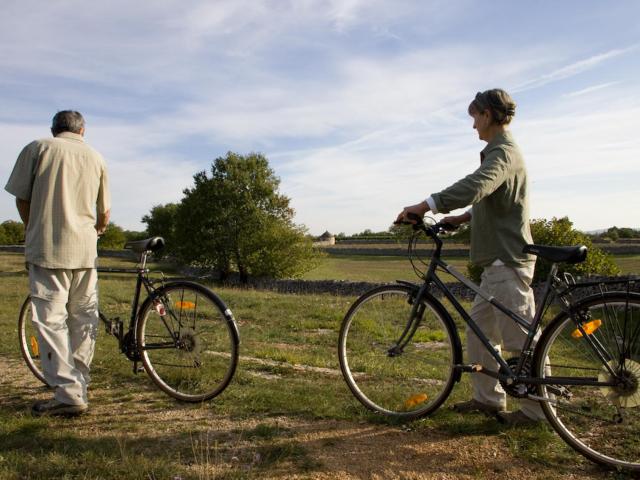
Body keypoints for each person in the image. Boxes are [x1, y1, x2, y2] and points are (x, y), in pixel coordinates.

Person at [396, 89, 544, 425]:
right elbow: (491, 200)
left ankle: (538, 413)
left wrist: (427, 205)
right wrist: (460, 219)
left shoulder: (503, 153)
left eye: (475, 117)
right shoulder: (499, 152)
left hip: (508, 260)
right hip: (495, 264)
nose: (473, 125)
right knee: (479, 333)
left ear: (488, 115)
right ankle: (487, 400)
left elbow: (478, 185)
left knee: (521, 340)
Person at [5, 110, 111, 417]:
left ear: (54, 129)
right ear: (83, 130)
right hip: (85, 250)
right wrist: (95, 232)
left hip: (49, 246)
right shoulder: (96, 157)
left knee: (51, 320)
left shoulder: (38, 148)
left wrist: (33, 227)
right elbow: (104, 213)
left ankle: (67, 392)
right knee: (84, 318)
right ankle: (79, 382)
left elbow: (21, 197)